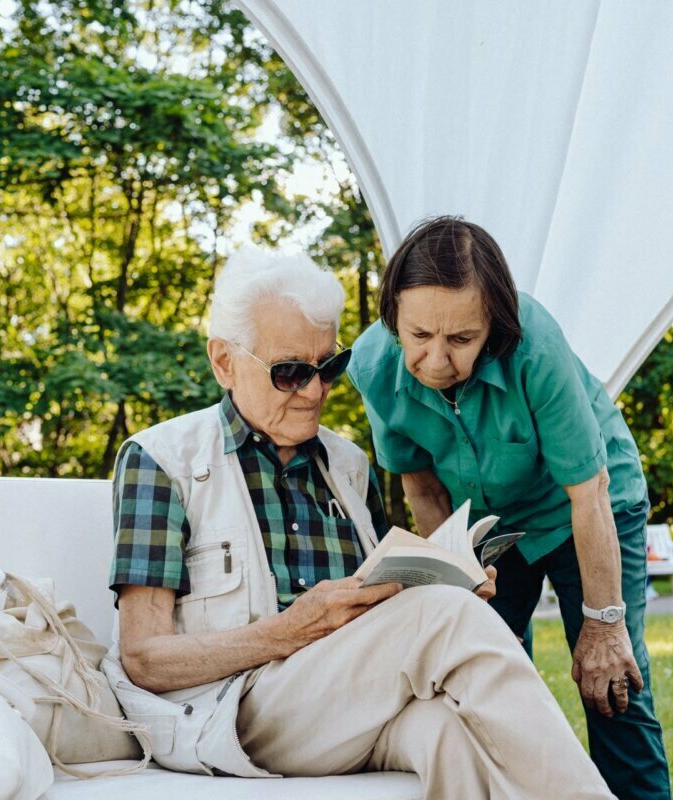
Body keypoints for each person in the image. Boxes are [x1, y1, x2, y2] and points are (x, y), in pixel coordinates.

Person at [105, 246, 615, 800]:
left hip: (343, 707)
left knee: (447, 732)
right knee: (443, 618)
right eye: (291, 372)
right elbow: (143, 659)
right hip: (230, 714)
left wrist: (450, 578)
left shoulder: (348, 466)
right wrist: (287, 631)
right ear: (224, 362)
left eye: (329, 367)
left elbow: (381, 614)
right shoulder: (161, 460)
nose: (317, 391)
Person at [347, 217, 671, 800]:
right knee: (479, 680)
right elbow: (422, 489)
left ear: (492, 323)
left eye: (461, 340)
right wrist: (460, 580)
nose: (437, 361)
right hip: (490, 524)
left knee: (612, 685)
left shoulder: (535, 343)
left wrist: (604, 626)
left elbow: (588, 491)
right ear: (393, 313)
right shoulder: (372, 364)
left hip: (590, 505)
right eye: (419, 335)